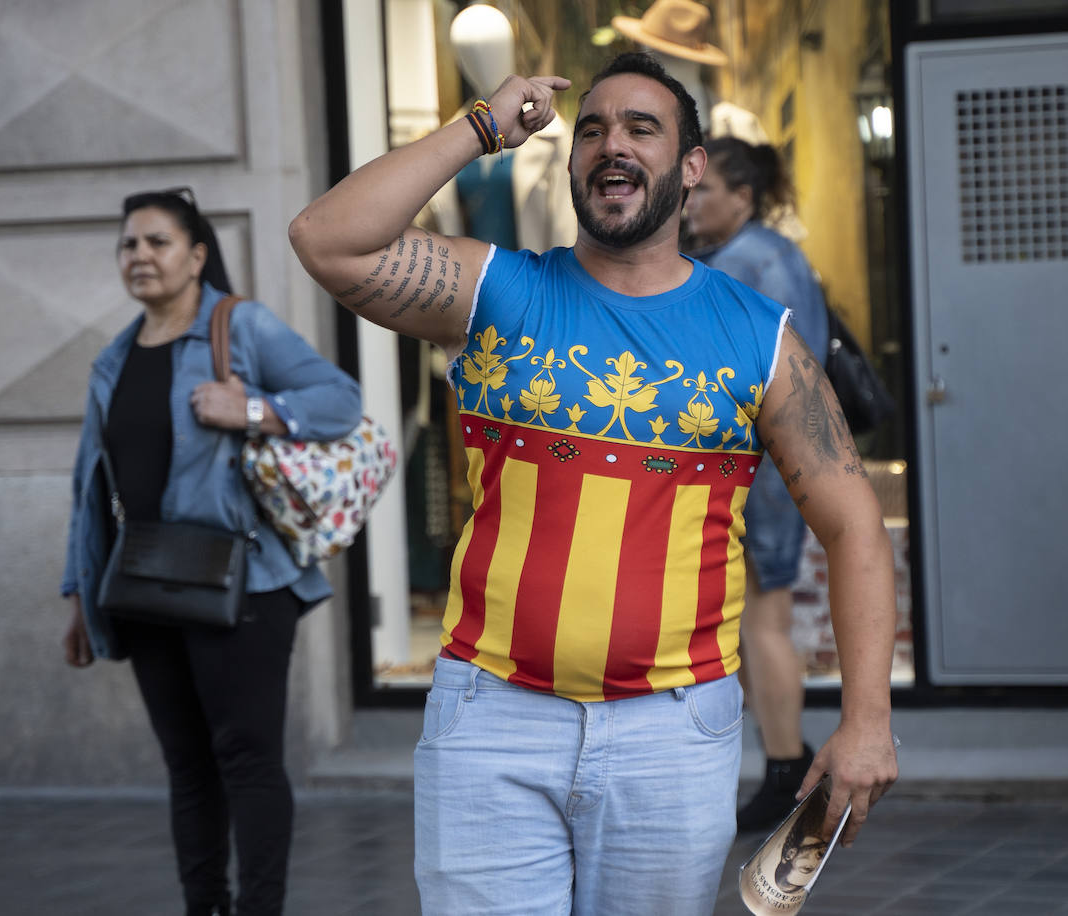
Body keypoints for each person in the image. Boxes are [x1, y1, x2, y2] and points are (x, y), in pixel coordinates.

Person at [290, 51, 898, 915]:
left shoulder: (762, 340)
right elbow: (325, 237)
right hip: (490, 720)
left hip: (674, 733)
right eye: (593, 130)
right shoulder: (495, 291)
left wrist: (868, 719)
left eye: (641, 129)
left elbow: (854, 528)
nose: (612, 145)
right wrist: (481, 128)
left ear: (691, 167)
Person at [60, 188, 362, 916]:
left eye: (157, 242)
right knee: (187, 768)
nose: (140, 256)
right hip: (142, 584)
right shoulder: (113, 360)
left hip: (244, 582)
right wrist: (78, 591)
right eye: (129, 244)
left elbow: (340, 399)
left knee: (247, 760)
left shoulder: (240, 327)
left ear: (196, 256)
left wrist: (255, 409)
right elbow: (87, 487)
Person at [684, 137, 833, 832]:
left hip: (762, 468)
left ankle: (783, 771)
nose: (689, 201)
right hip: (778, 463)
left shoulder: (744, 261)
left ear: (742, 196)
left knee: (762, 620)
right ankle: (789, 757)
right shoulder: (776, 251)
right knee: (758, 618)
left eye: (703, 189)